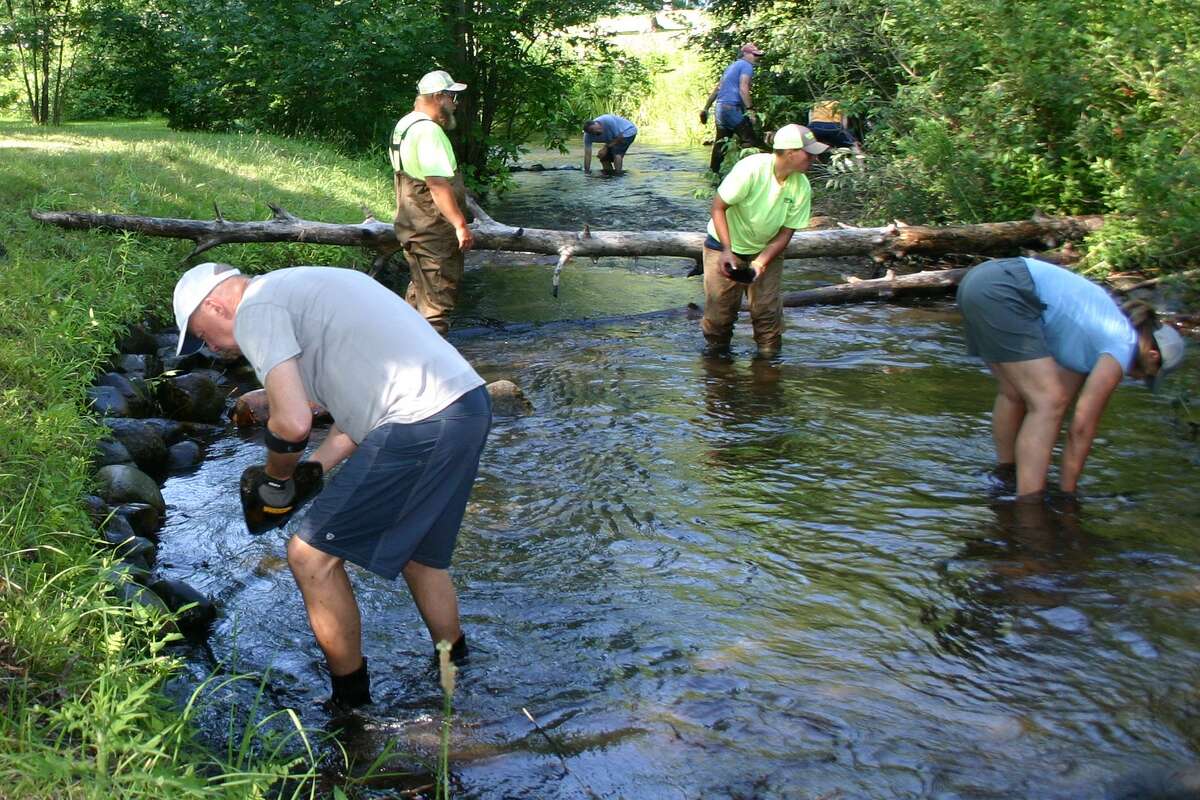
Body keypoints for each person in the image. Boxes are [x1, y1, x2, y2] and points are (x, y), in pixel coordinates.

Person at [172, 262, 492, 709]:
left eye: (198, 331)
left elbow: (292, 423)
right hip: (466, 406)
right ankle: (456, 669)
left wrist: (277, 480)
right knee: (420, 557)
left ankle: (350, 704)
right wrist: (314, 472)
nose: (203, 343)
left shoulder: (256, 309)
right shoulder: (301, 288)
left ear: (215, 304)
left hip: (420, 419)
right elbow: (355, 417)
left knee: (310, 558)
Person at [956, 256, 1185, 500]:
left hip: (979, 281)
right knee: (1048, 401)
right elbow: (1081, 429)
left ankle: (1005, 476)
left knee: (1016, 393)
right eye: (1148, 375)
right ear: (1152, 355)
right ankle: (1028, 504)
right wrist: (1068, 496)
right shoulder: (1122, 344)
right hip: (1006, 288)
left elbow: (1065, 407)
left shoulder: (1096, 334)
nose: (1140, 379)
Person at [701, 124, 828, 357]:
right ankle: (717, 371)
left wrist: (760, 263)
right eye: (809, 153)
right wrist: (728, 251)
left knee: (768, 317)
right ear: (790, 153)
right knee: (719, 319)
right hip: (725, 246)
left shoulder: (802, 186)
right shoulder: (751, 170)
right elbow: (718, 208)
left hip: (766, 249)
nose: (815, 157)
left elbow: (786, 233)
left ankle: (767, 375)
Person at [389, 69, 474, 336]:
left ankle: (405, 357)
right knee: (437, 303)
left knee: (419, 293)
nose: (456, 104)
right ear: (439, 97)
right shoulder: (428, 132)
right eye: (453, 97)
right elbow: (437, 184)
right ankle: (437, 373)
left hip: (411, 223)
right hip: (432, 228)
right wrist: (460, 224)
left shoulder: (405, 125)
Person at [700, 43, 769, 174]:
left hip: (720, 109)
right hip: (732, 108)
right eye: (755, 55)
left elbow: (718, 88)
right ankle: (749, 175)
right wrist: (750, 110)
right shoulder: (746, 66)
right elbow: (744, 88)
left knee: (720, 144)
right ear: (745, 55)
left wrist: (706, 108)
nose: (757, 58)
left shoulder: (731, 67)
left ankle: (714, 175)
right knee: (750, 140)